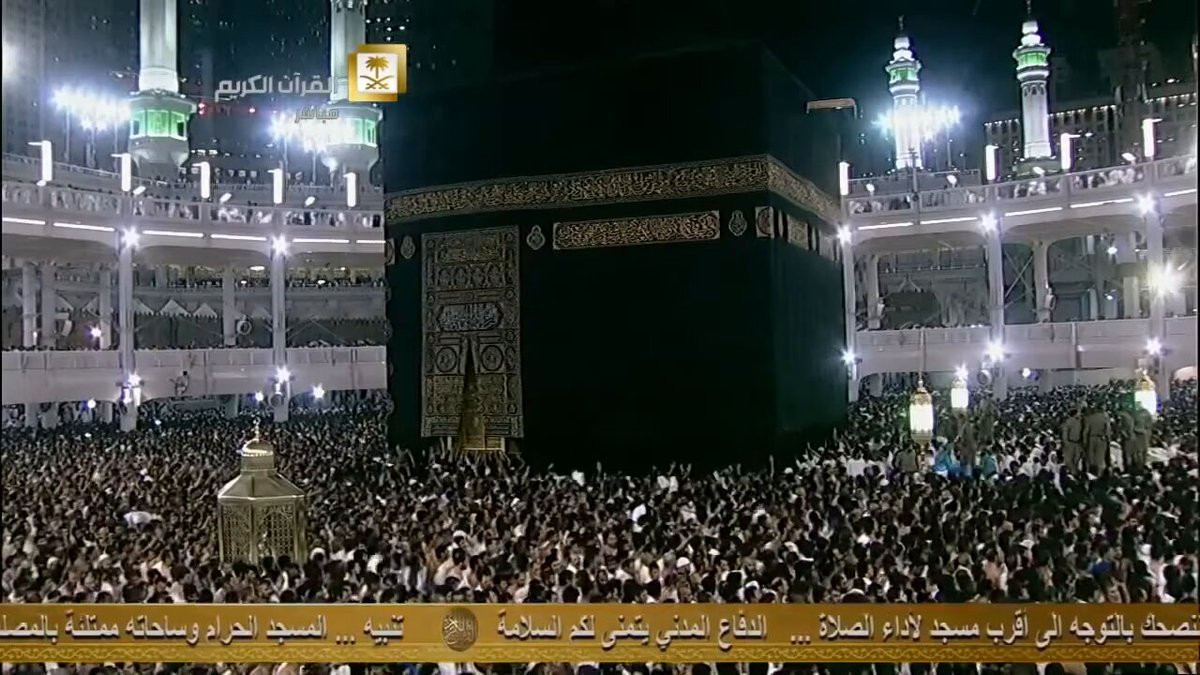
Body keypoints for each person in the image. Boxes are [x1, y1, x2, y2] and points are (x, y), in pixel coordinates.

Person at [1082, 404, 1111, 474]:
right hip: (1101, 439)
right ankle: (1099, 474)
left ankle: (1090, 474)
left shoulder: (1089, 418)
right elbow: (1108, 429)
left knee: (1090, 458)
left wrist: (1084, 442)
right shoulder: (1104, 418)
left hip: (1091, 439)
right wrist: (1108, 439)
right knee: (1099, 458)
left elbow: (1086, 431)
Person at [1060, 407, 1084, 474]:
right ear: (1075, 414)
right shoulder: (1068, 422)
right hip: (1070, 443)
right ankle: (1072, 472)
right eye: (1078, 413)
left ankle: (1075, 471)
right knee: (1069, 459)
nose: (1079, 414)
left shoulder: (1080, 421)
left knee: (1077, 458)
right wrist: (1066, 442)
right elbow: (1065, 433)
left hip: (1078, 443)